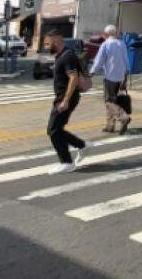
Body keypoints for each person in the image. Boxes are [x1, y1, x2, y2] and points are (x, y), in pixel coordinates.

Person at [45, 30, 86, 173]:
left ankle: (67, 162)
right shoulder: (61, 55)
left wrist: (66, 100)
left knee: (53, 130)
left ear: (56, 41)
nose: (46, 46)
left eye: (48, 43)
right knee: (55, 129)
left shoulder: (67, 56)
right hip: (61, 98)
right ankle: (80, 144)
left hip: (66, 98)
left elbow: (73, 78)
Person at [90, 25, 130, 134]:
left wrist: (91, 72)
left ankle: (123, 117)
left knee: (109, 102)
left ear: (106, 34)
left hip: (110, 77)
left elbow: (99, 61)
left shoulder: (105, 44)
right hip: (121, 77)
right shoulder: (121, 43)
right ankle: (110, 126)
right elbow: (126, 60)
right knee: (113, 101)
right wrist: (126, 76)